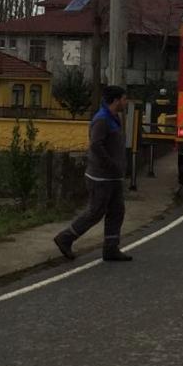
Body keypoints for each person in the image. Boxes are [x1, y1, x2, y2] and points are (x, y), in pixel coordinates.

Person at [54, 85, 133, 262]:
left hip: (113, 177)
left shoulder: (114, 117)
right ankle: (65, 238)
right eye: (124, 98)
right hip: (101, 177)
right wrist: (112, 165)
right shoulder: (102, 119)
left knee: (116, 211)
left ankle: (111, 248)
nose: (126, 102)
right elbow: (96, 145)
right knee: (96, 212)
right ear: (116, 100)